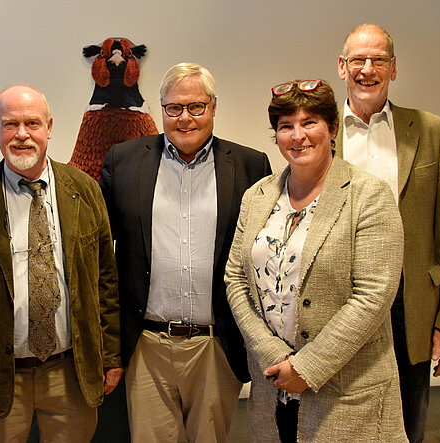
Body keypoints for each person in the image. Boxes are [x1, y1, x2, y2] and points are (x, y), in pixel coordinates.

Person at [225, 79, 407, 442]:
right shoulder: (257, 196)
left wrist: (306, 367)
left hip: (347, 394)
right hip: (272, 386)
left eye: (309, 122)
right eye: (285, 126)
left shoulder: (368, 195)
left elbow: (373, 296)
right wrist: (273, 353)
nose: (297, 136)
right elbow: (235, 279)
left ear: (333, 128)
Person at [0, 85, 121, 442]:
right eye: (10, 124)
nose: (22, 135)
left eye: (32, 123)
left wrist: (110, 356)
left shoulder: (84, 189)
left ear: (49, 127)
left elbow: (106, 281)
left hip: (70, 372)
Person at [100, 62, 272, 442]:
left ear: (213, 107)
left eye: (196, 107)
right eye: (174, 108)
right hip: (146, 345)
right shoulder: (124, 161)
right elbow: (100, 256)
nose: (185, 118)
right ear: (160, 109)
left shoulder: (250, 165)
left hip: (215, 345)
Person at [335, 24, 440, 441]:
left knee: (408, 424)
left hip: (410, 306)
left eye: (379, 60)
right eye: (358, 59)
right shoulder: (318, 134)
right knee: (338, 420)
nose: (367, 69)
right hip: (338, 300)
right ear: (342, 67)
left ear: (394, 69)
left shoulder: (431, 130)